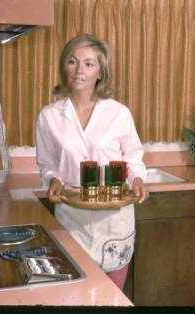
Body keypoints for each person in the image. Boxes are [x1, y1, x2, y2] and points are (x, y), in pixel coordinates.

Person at [36, 34, 149, 291]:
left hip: (114, 221)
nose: (79, 71)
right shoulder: (49, 116)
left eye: (89, 64)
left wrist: (138, 180)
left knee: (112, 298)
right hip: (71, 219)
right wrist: (53, 178)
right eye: (73, 62)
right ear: (65, 66)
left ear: (100, 72)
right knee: (74, 295)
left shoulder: (119, 113)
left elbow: (133, 158)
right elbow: (46, 163)